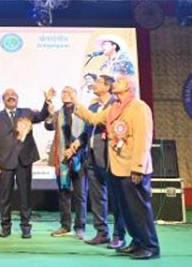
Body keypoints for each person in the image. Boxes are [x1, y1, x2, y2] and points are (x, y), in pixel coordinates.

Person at [69, 76, 160, 260]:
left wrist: (138, 166)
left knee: (139, 209)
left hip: (133, 168)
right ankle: (137, 242)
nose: (114, 84)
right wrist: (76, 103)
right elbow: (94, 119)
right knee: (127, 210)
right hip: (117, 167)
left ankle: (150, 246)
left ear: (127, 87)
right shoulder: (114, 108)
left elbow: (143, 138)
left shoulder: (139, 107)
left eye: (118, 82)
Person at [68, 75, 127, 249]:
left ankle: (119, 235)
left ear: (108, 87)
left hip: (110, 158)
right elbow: (88, 131)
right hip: (92, 157)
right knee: (97, 197)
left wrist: (76, 101)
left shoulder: (116, 106)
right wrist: (77, 144)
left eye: (99, 82)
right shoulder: (94, 106)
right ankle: (102, 233)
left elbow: (95, 120)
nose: (94, 84)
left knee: (116, 199)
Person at [0, 87, 54, 239]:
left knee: (25, 195)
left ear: (17, 99)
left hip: (24, 160)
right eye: (7, 95)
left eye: (13, 95)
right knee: (5, 196)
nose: (11, 97)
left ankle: (26, 227)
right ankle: (5, 227)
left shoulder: (26, 112)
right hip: (5, 161)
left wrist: (47, 101)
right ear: (3, 100)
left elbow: (42, 116)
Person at [44, 86, 88, 240]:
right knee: (63, 192)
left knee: (80, 194)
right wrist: (49, 115)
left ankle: (80, 227)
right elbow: (49, 126)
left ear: (75, 95)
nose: (65, 94)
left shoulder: (82, 111)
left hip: (79, 158)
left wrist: (75, 149)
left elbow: (86, 134)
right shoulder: (58, 113)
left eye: (69, 92)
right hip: (62, 158)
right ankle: (65, 225)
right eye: (63, 92)